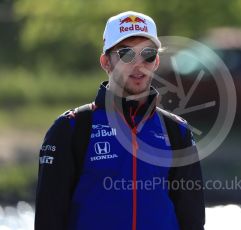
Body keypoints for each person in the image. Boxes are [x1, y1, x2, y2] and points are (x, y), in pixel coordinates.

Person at [35, 11, 205, 230]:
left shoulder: (177, 130)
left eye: (148, 54)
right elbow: (48, 219)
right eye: (126, 54)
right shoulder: (71, 127)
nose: (139, 65)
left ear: (156, 62)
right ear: (106, 61)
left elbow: (192, 220)